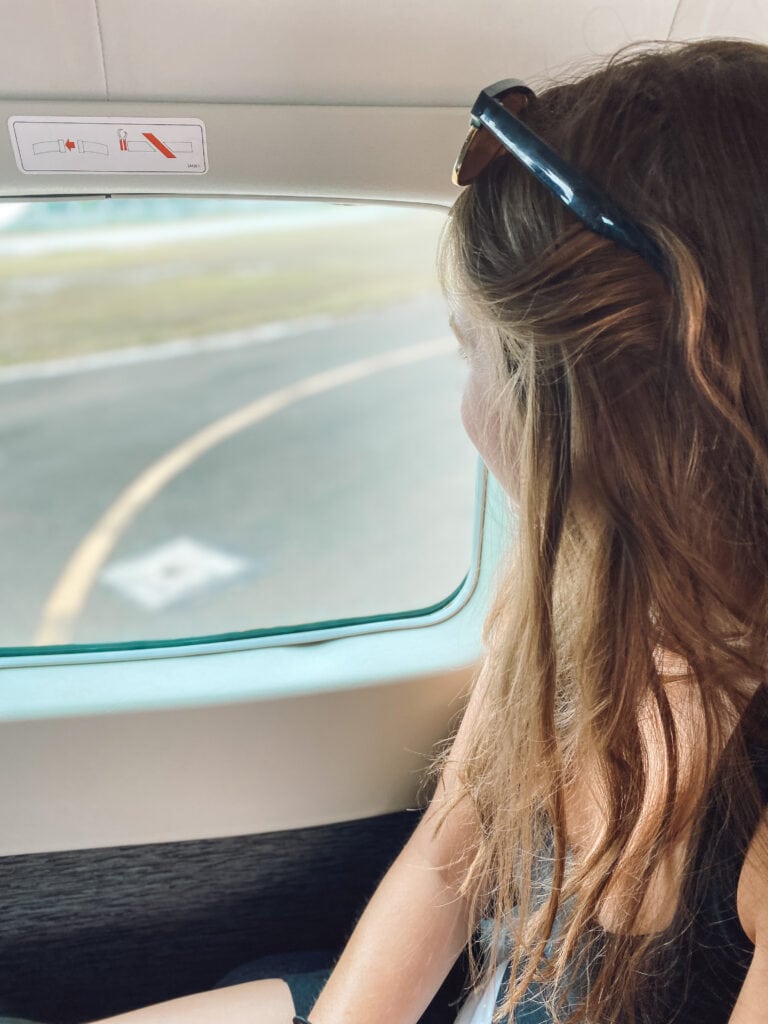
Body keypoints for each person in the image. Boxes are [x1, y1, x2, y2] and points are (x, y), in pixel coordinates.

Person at [85, 38, 768, 1024]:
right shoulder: (567, 594)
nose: (468, 412)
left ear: (605, 420)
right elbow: (446, 863)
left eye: (476, 359)